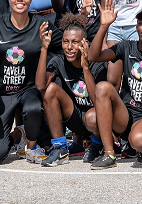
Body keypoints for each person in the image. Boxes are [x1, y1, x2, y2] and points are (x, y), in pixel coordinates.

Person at [86, 0, 142, 169]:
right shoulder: (126, 46)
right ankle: (109, 154)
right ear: (136, 27)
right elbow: (93, 56)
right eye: (141, 23)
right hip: (126, 115)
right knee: (102, 89)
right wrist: (104, 26)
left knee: (139, 141)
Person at [0, 0, 51, 164]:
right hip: (1, 93)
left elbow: (66, 47)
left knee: (33, 107)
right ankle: (17, 135)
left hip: (28, 90)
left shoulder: (42, 25)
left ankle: (32, 146)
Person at [36, 14, 108, 166]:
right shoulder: (59, 60)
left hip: (97, 120)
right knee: (50, 90)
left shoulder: (97, 63)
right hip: (75, 118)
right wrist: (44, 48)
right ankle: (60, 148)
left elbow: (98, 102)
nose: (69, 47)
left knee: (92, 116)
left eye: (75, 42)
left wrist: (85, 66)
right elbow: (40, 85)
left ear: (85, 43)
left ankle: (97, 144)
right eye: (65, 42)